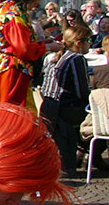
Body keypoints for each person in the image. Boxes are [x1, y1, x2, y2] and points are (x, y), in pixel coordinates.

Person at [0, 0, 61, 109]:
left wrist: (39, 41)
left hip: (11, 65)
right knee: (13, 108)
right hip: (12, 67)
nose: (38, 3)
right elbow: (23, 48)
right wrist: (48, 47)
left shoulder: (11, 10)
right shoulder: (15, 17)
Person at [39, 23, 91, 178]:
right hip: (64, 109)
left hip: (48, 106)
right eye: (88, 40)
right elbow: (81, 90)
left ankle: (79, 155)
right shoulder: (76, 59)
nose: (90, 44)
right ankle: (87, 155)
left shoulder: (55, 57)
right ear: (79, 43)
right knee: (99, 118)